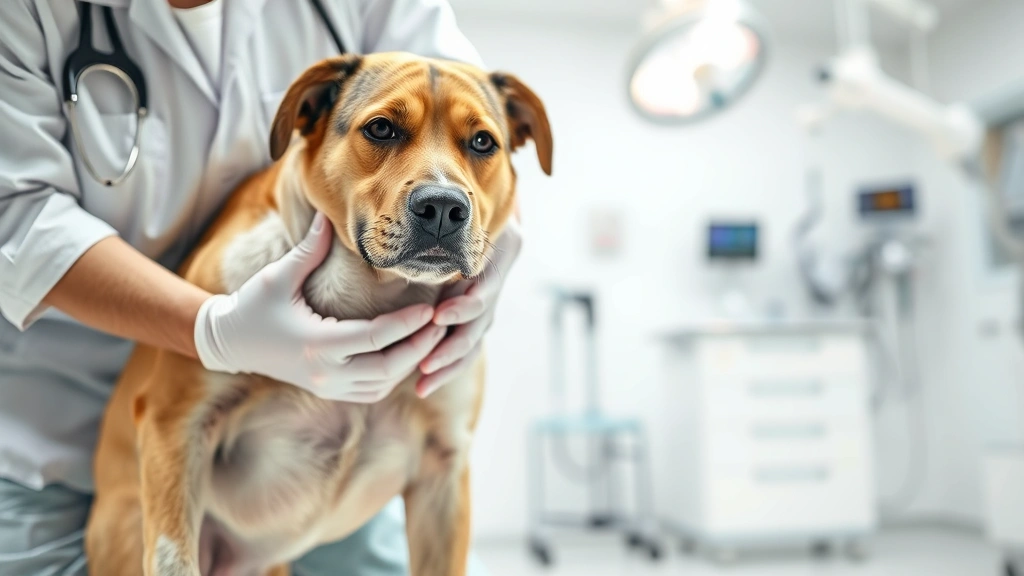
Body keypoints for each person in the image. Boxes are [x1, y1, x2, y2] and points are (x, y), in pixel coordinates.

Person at [0, 1, 521, 574]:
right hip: (55, 401)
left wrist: (497, 234)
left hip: (321, 469)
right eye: (382, 129)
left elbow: (460, 97)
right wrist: (214, 333)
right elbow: (17, 214)